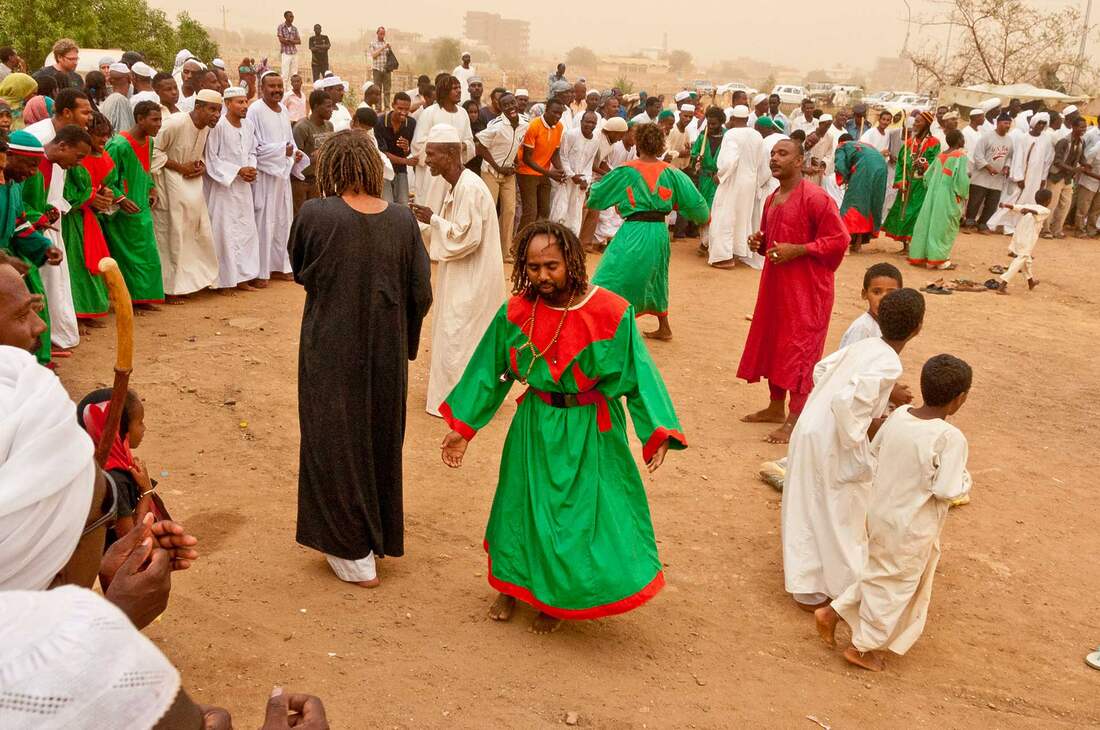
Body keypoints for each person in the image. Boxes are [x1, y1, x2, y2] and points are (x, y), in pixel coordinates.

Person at [439, 220, 685, 634]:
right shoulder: (517, 310)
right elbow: (489, 372)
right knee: (519, 508)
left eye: (551, 266)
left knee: (573, 517)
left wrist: (656, 432)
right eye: (532, 268)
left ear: (571, 261)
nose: (542, 276)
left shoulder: (611, 312)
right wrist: (464, 429)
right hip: (534, 425)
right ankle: (513, 585)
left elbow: (639, 376)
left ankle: (557, 598)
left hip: (589, 429)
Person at [290, 130, 432, 588]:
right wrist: (398, 339)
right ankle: (374, 539)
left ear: (331, 168)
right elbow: (421, 293)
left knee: (333, 438)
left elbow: (300, 268)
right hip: (386, 352)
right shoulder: (403, 221)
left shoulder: (316, 213)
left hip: (331, 347)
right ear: (373, 168)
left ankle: (350, 549)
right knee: (378, 438)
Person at [816, 354, 972, 673]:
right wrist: (966, 479)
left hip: (880, 512)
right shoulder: (950, 438)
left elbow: (876, 450)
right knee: (895, 584)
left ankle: (833, 612)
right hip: (912, 525)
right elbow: (947, 489)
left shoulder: (900, 415)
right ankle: (863, 646)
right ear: (959, 400)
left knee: (879, 572)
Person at [783, 287, 925, 611]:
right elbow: (849, 406)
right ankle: (845, 591)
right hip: (834, 439)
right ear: (918, 327)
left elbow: (823, 370)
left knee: (808, 505)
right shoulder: (889, 363)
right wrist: (858, 441)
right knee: (842, 514)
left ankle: (807, 587)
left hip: (811, 428)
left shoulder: (867, 345)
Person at [737, 139, 850, 444]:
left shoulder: (816, 198)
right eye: (772, 154)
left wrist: (799, 250)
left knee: (800, 350)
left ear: (800, 161)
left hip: (807, 293)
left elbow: (840, 240)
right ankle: (775, 407)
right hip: (776, 288)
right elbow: (770, 242)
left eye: (783, 154)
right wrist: (758, 243)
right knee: (776, 344)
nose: (775, 159)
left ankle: (795, 417)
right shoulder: (772, 197)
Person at [409, 125, 504, 417]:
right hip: (462, 276)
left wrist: (433, 219)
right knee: (456, 334)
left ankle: (459, 403)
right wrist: (420, 224)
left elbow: (467, 237)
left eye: (432, 154)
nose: (427, 160)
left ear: (451, 153)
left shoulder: (470, 187)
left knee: (458, 335)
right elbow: (451, 232)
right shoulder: (459, 185)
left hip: (472, 281)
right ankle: (459, 398)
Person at [588, 123, 709, 341]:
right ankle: (664, 327)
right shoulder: (672, 172)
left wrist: (598, 195)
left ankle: (603, 323)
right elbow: (697, 202)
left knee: (611, 273)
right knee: (657, 276)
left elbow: (597, 194)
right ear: (661, 145)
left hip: (634, 230)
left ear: (638, 143)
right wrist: (702, 220)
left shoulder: (627, 170)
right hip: (659, 231)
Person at [23, 92, 95, 354]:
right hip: (31, 224)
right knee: (40, 283)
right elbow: (21, 192)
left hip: (47, 217)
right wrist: (37, 217)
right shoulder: (36, 141)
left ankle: (56, 335)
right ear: (66, 113)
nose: (90, 117)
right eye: (85, 112)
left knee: (54, 280)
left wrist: (54, 209)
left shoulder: (62, 148)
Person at [151, 89, 222, 301]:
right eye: (212, 109)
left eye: (219, 110)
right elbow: (153, 150)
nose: (216, 115)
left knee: (194, 234)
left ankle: (190, 283)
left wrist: (201, 165)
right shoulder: (175, 123)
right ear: (198, 107)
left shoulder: (205, 128)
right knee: (171, 235)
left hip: (191, 186)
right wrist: (180, 167)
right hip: (168, 184)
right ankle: (169, 288)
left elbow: (197, 153)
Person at [1, 131, 63, 363]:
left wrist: (44, 247)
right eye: (30, 164)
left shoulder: (13, 186)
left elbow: (19, 224)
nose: (33, 172)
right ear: (9, 156)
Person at [102, 101, 164, 309]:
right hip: (123, 212)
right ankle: (130, 300)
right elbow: (105, 176)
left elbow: (145, 171)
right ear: (140, 119)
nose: (159, 125)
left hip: (141, 209)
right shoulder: (118, 145)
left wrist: (151, 188)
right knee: (127, 257)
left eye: (160, 120)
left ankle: (143, 297)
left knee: (147, 254)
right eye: (154, 120)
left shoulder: (149, 142)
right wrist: (120, 198)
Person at [204, 87, 262, 291]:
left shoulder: (248, 126)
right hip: (223, 188)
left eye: (246, 102)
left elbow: (252, 151)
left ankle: (243, 278)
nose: (244, 106)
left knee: (246, 231)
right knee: (224, 232)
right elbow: (211, 158)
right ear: (228, 104)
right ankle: (224, 281)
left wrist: (251, 169)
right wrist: (237, 171)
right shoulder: (218, 126)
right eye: (239, 102)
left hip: (243, 189)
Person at [248, 72, 304, 282]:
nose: (277, 90)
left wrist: (295, 153)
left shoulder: (282, 111)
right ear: (262, 88)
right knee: (263, 222)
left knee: (283, 221)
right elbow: (255, 146)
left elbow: (289, 140)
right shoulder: (255, 110)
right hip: (264, 176)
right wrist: (282, 150)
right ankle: (261, 271)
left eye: (280, 86)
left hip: (281, 176)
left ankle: (280, 266)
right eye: (272, 86)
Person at [61, 113, 114, 327]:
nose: (103, 140)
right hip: (72, 218)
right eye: (98, 135)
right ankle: (78, 314)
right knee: (76, 264)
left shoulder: (102, 157)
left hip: (89, 218)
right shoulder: (73, 160)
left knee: (91, 262)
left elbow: (103, 184)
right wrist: (92, 197)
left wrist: (105, 194)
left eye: (106, 136)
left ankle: (90, 310)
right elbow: (68, 192)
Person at [409, 74, 474, 236]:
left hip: (455, 172)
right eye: (454, 88)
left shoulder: (463, 114)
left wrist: (460, 147)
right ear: (444, 91)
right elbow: (418, 143)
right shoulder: (430, 113)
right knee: (431, 207)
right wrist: (441, 151)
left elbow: (470, 141)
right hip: (434, 175)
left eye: (459, 87)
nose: (459, 91)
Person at [707, 105, 768, 269]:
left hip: (732, 181)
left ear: (732, 119)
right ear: (747, 119)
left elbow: (730, 160)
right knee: (742, 218)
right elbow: (762, 163)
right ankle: (736, 252)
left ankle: (723, 257)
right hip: (749, 183)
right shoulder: (757, 136)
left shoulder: (731, 134)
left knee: (724, 216)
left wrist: (720, 175)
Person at [906, 129, 970, 269]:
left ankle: (923, 256)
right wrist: (963, 195)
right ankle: (940, 260)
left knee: (929, 224)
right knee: (944, 227)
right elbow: (961, 181)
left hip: (933, 195)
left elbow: (928, 176)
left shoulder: (940, 156)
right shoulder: (960, 156)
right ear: (959, 140)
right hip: (948, 196)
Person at [475, 92, 527, 260]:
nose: (511, 107)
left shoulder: (525, 124)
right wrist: (497, 166)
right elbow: (480, 146)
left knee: (510, 211)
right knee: (489, 210)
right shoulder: (495, 125)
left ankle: (505, 251)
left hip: (509, 173)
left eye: (512, 103)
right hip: (491, 171)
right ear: (501, 108)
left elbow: (517, 144)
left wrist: (516, 161)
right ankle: (483, 249)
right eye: (506, 105)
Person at [986, 112, 1052, 235]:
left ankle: (1021, 227)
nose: (1041, 126)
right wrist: (1019, 177)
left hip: (1036, 178)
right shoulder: (1023, 138)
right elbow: (1017, 158)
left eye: (1044, 123)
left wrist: (1043, 177)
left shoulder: (1046, 140)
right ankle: (1006, 226)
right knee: (1014, 201)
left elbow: (1047, 160)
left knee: (1030, 201)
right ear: (1033, 124)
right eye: (1039, 123)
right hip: (1021, 177)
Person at [882, 111, 940, 250]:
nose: (915, 124)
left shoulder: (934, 143)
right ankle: (905, 245)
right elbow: (901, 164)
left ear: (926, 124)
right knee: (903, 213)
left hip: (922, 185)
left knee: (916, 214)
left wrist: (924, 165)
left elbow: (934, 163)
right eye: (915, 121)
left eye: (918, 122)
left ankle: (915, 245)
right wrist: (901, 181)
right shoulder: (909, 143)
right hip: (907, 184)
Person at [516, 98, 566, 228]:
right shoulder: (534, 126)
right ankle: (520, 243)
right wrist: (550, 173)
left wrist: (561, 170)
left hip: (543, 172)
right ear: (546, 110)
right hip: (526, 172)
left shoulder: (559, 127)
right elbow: (527, 158)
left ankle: (535, 239)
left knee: (544, 211)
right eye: (554, 112)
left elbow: (555, 153)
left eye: (560, 114)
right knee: (530, 212)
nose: (557, 116)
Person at [549, 110, 600, 236]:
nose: (590, 125)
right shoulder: (571, 134)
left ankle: (570, 245)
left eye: (593, 122)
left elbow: (589, 163)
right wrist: (571, 175)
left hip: (580, 183)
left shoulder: (595, 141)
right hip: (565, 180)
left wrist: (586, 180)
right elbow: (563, 156)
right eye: (587, 121)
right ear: (581, 122)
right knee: (559, 212)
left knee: (575, 215)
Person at [835, 137, 889, 253]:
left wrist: (845, 177)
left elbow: (840, 165)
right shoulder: (864, 146)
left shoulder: (842, 146)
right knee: (869, 205)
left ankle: (844, 246)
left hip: (865, 167)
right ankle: (858, 245)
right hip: (882, 166)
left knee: (852, 204)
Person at [994, 187, 1051, 294]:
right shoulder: (1046, 210)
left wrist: (1006, 205)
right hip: (1028, 238)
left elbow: (1018, 207)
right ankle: (1003, 284)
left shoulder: (1030, 206)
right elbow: (1035, 212)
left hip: (1019, 235)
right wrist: (1028, 210)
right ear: (1048, 201)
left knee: (1026, 259)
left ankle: (1030, 282)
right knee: (1021, 259)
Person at [964, 112, 1014, 232]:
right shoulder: (987, 137)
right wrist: (988, 167)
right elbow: (978, 155)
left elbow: (1009, 157)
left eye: (1009, 124)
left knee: (992, 203)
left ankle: (982, 224)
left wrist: (1006, 167)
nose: (1007, 126)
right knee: (975, 202)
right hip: (981, 177)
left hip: (997, 179)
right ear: (998, 123)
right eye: (1005, 123)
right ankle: (969, 223)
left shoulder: (1009, 140)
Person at [1041, 116, 1086, 239]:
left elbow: (1081, 158)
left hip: (1067, 178)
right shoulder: (1064, 141)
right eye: (1081, 127)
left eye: (1085, 127)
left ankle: (1057, 230)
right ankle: (1045, 230)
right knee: (1051, 204)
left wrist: (1086, 164)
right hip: (1056, 176)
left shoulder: (1082, 142)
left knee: (1065, 205)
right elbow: (1057, 162)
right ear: (1074, 127)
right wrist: (1073, 169)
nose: (1084, 129)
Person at [839, 262, 903, 349]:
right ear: (864, 294)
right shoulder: (862, 329)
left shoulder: (890, 326)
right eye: (876, 292)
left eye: (891, 293)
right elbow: (851, 360)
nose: (883, 299)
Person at [689, 106, 726, 253]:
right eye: (709, 123)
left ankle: (708, 243)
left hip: (719, 180)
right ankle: (705, 240)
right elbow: (695, 152)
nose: (710, 127)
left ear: (721, 123)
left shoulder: (727, 137)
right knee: (704, 210)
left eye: (714, 124)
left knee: (716, 211)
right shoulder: (703, 136)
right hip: (704, 179)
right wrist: (696, 157)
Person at [291, 88, 334, 214]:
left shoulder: (329, 126)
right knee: (300, 217)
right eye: (328, 106)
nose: (331, 110)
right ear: (316, 106)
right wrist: (320, 154)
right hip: (301, 182)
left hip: (317, 180)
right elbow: (296, 161)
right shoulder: (302, 127)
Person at [376, 91, 416, 205]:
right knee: (387, 204)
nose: (403, 112)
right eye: (400, 108)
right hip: (384, 170)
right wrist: (406, 161)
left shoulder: (411, 123)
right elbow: (382, 154)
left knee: (403, 204)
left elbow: (411, 150)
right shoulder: (380, 122)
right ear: (393, 105)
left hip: (401, 170)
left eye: (406, 109)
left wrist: (407, 148)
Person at [99, 63, 135, 134]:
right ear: (129, 79)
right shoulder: (120, 101)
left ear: (110, 81)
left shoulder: (108, 100)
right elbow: (124, 133)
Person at [368, 26, 394, 104]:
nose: (382, 35)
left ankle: (387, 107)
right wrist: (383, 47)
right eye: (381, 33)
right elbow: (373, 55)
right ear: (377, 34)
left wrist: (389, 49)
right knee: (377, 91)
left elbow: (390, 57)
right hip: (377, 70)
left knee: (387, 91)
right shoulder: (373, 44)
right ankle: (378, 107)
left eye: (383, 34)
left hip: (386, 70)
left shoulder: (387, 43)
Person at [462, 99, 486, 175]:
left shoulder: (482, 127)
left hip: (479, 166)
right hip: (465, 165)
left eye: (475, 112)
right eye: (470, 112)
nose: (473, 115)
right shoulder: (461, 128)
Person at [277, 10, 301, 82]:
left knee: (294, 74)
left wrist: (289, 40)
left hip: (294, 53)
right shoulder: (281, 27)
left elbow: (299, 41)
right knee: (285, 74)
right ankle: (284, 91)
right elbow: (281, 40)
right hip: (286, 53)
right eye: (290, 16)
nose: (292, 18)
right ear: (285, 17)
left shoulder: (294, 28)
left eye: (292, 16)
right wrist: (293, 41)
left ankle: (291, 91)